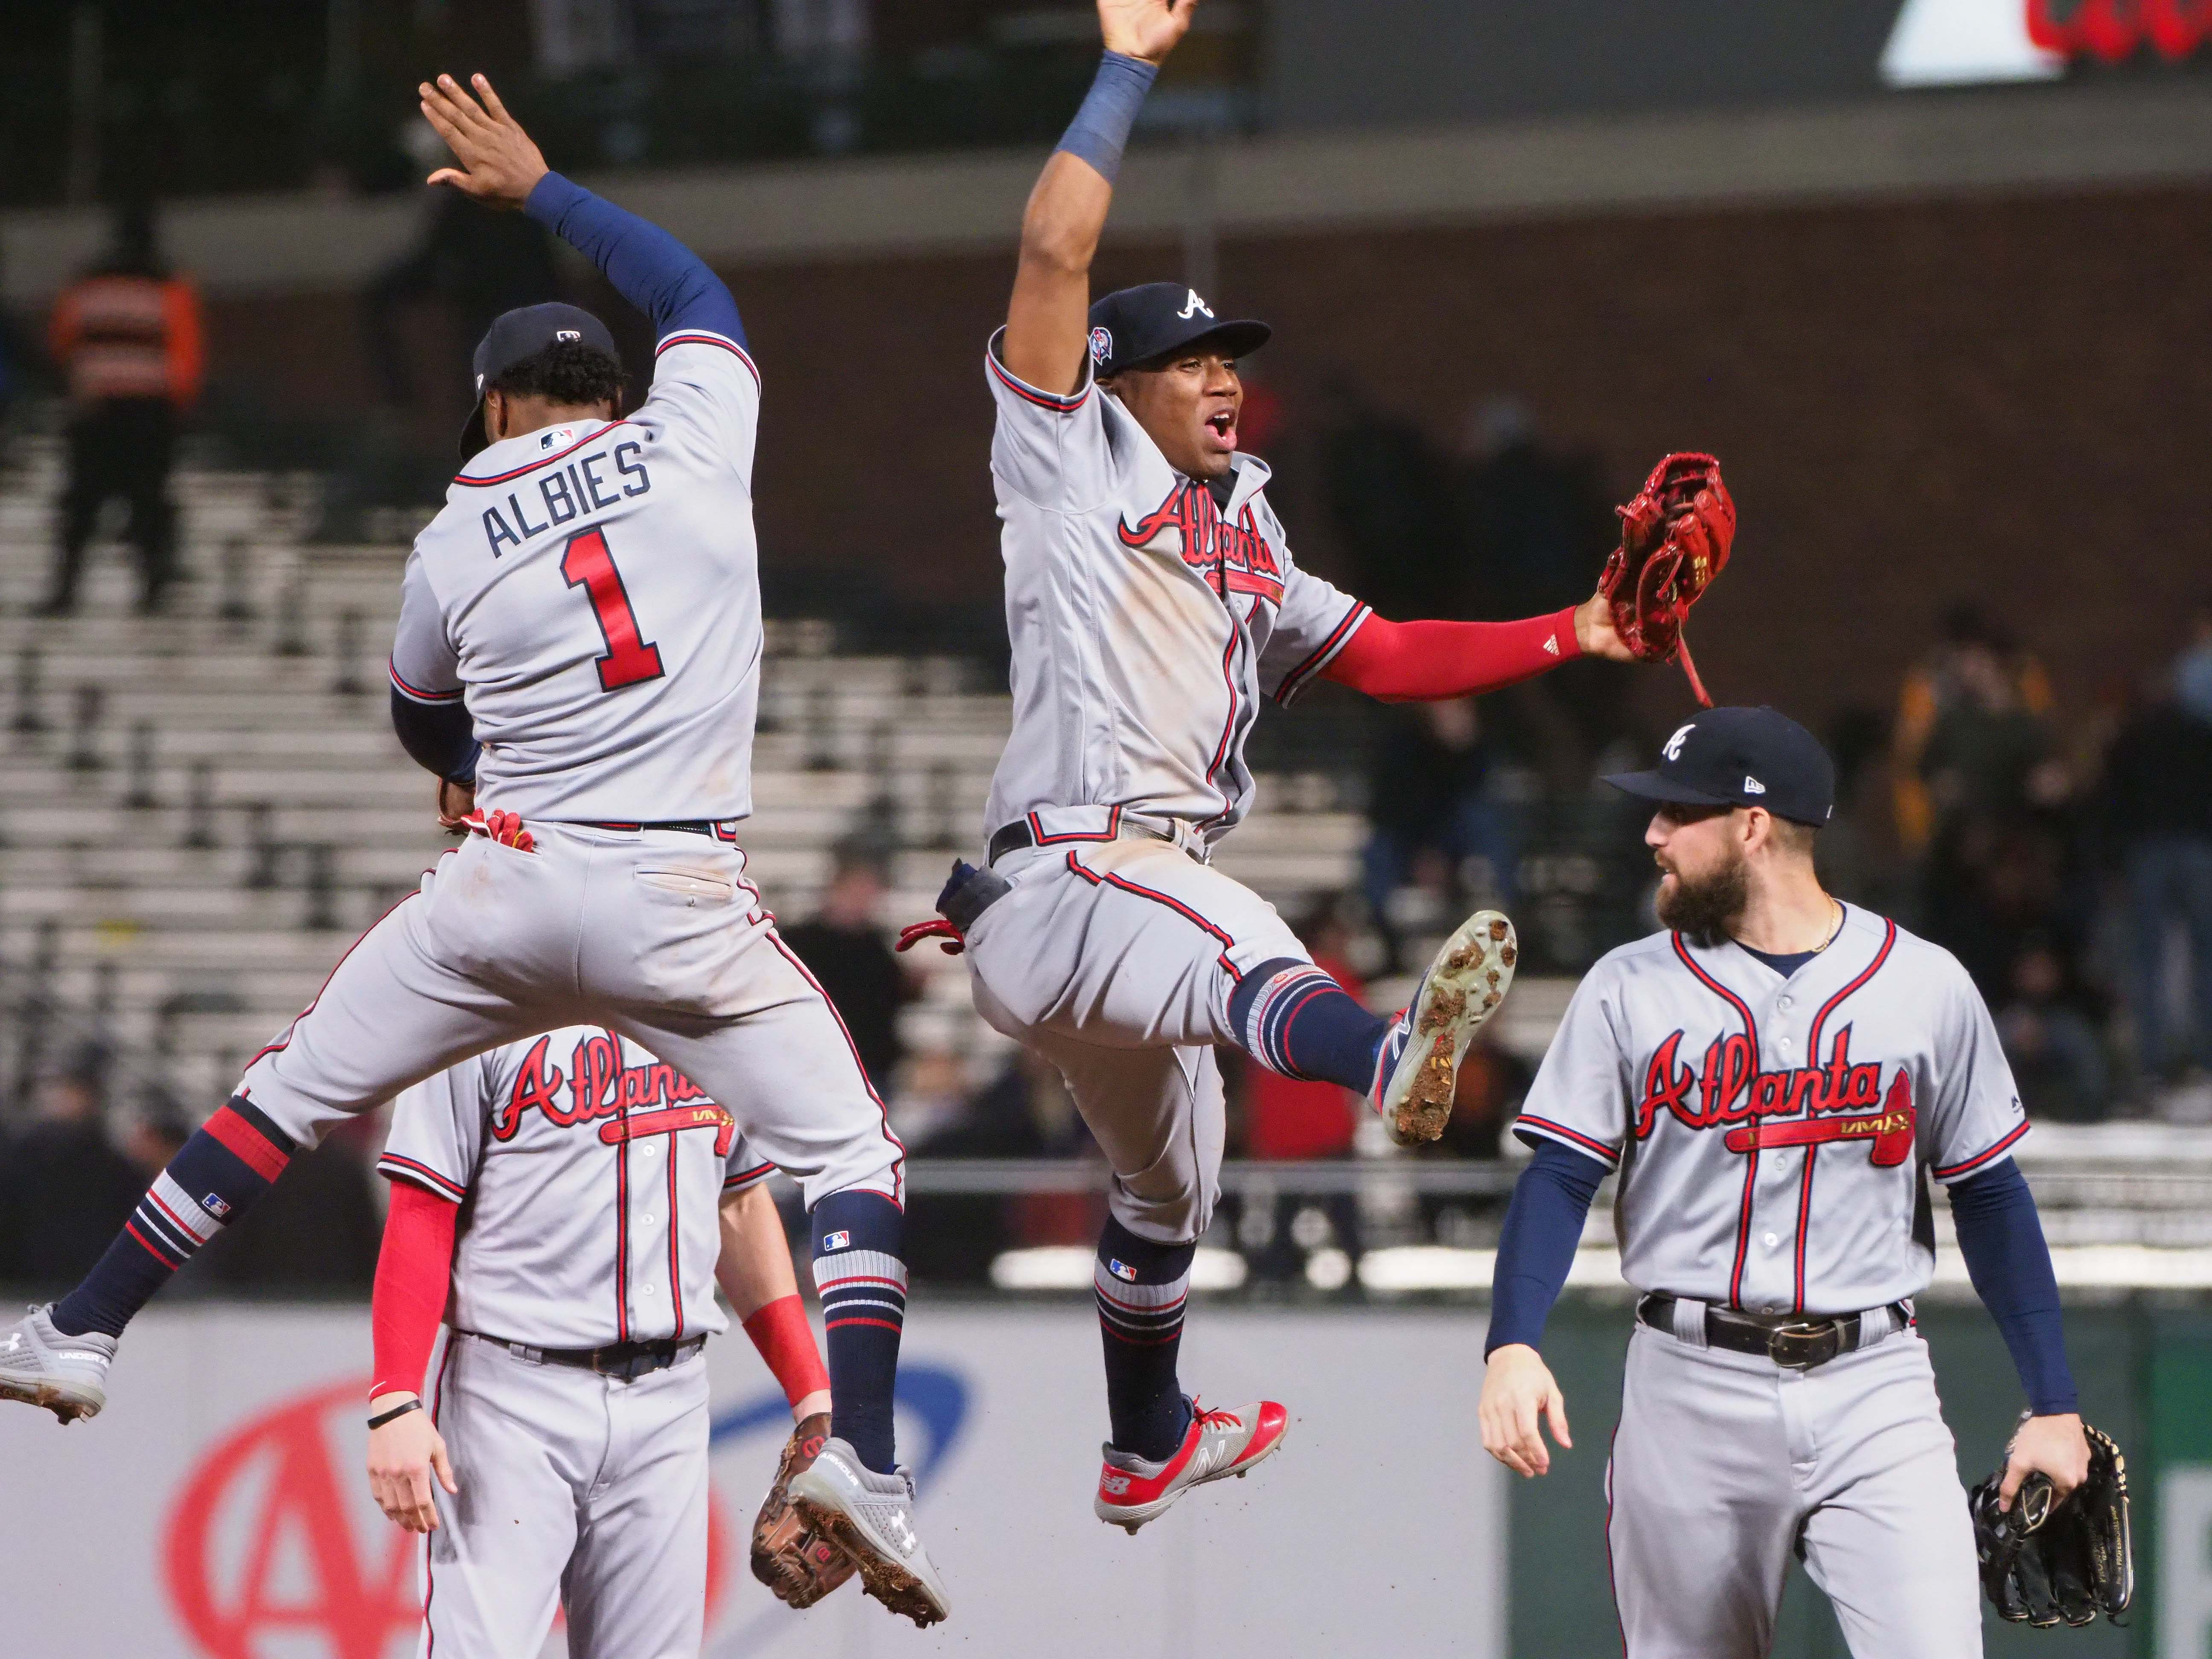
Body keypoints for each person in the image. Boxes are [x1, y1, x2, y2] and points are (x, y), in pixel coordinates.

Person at [0, 73, 944, 1628]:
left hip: (507, 884)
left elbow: (419, 715)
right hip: (677, 893)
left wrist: (463, 776)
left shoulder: (454, 528)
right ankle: (874, 1454)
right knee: (856, 1157)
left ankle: (88, 1326)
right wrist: (544, 192)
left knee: (290, 1086)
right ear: (612, 387)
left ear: (499, 408)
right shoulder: (702, 431)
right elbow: (694, 289)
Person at [914, 0, 1671, 1536]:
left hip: (1110, 909)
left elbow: (1386, 654)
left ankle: (1143, 1442)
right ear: (1119, 382)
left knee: (1169, 1189)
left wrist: (1578, 629)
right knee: (1247, 938)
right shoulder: (1070, 458)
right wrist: (1127, 67)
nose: (1218, 376)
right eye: (1189, 357)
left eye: (1228, 358)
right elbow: (1054, 256)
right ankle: (1390, 1062)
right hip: (1077, 868)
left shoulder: (1245, 526)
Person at [1476, 707, 2089, 1657]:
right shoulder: (1627, 986)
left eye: (1677, 813)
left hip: (1874, 1387)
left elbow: (1992, 1192)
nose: (1652, 836)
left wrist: (2054, 1402)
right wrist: (1511, 1343)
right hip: (1689, 1387)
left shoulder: (1923, 985)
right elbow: (1559, 1178)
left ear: (1753, 827)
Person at [363, 1028, 851, 1655]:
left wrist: (813, 1397)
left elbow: (738, 1202)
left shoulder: (715, 1002)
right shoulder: (482, 1005)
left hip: (669, 1400)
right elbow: (423, 1206)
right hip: (509, 1399)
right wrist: (395, 1395)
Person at [42, 200, 204, 616]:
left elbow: (63, 342)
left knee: (81, 504)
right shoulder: (170, 284)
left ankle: (65, 589)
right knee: (148, 501)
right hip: (149, 412)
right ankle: (152, 590)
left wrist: (77, 387)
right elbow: (185, 354)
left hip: (94, 409)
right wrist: (178, 406)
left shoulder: (85, 282)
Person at [2100, 648, 2212, 1090]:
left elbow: (2112, 803)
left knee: (2148, 960)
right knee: (2206, 957)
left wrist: (2113, 860)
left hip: (2147, 853)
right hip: (2197, 850)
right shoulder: (2200, 733)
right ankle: (2205, 1059)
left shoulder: (2131, 737)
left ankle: (2153, 1063)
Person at [779, 841, 916, 1092]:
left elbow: (890, 998)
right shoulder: (800, 940)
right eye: (857, 892)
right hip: (812, 1063)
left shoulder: (876, 944)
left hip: (869, 1066)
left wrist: (912, 985)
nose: (864, 901)